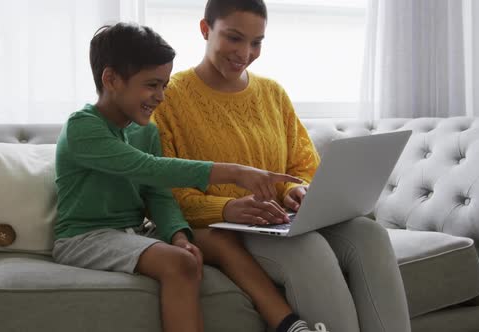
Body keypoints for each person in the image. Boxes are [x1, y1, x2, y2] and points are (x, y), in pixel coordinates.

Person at [153, 0, 412, 331]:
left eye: (256, 42)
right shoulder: (168, 99)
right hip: (226, 230)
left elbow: (303, 165)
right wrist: (228, 208)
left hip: (282, 220)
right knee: (308, 248)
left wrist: (295, 190)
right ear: (206, 30)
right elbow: (163, 192)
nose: (245, 52)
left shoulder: (272, 93)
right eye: (234, 38)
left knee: (370, 233)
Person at [51, 22, 306, 332]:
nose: (160, 96)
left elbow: (158, 193)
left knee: (219, 240)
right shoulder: (83, 127)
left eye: (164, 85)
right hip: (85, 237)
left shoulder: (145, 130)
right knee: (180, 264)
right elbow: (149, 168)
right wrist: (235, 173)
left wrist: (179, 236)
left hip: (135, 231)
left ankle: (290, 325)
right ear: (111, 79)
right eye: (151, 84)